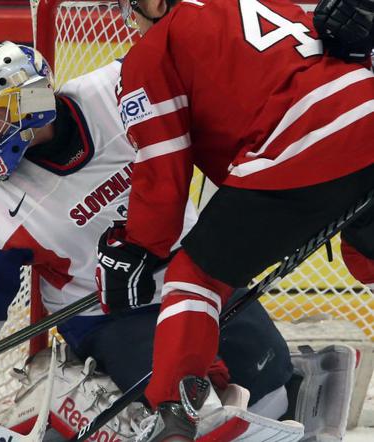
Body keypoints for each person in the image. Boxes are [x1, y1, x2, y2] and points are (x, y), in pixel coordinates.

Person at [0, 41, 301, 442]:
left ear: (33, 100)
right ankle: (76, 403)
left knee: (271, 388)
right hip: (108, 313)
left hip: (194, 275)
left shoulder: (121, 90)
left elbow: (211, 109)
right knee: (191, 414)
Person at [97, 0, 374, 440]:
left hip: (305, 140)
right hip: (365, 110)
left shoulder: (152, 52)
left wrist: (139, 247)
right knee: (365, 250)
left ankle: (174, 417)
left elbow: (162, 169)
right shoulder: (260, 3)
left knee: (194, 276)